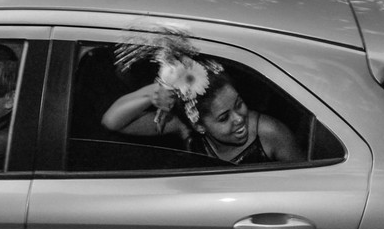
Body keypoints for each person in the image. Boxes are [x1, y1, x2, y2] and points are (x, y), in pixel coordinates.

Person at [102, 66, 301, 165]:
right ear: (199, 126)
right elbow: (113, 122)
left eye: (239, 104)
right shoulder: (183, 126)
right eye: (224, 118)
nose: (240, 118)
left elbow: (304, 186)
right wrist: (156, 91)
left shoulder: (271, 133)